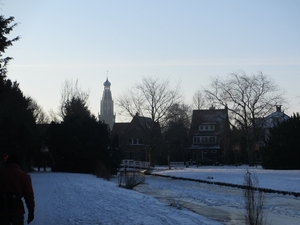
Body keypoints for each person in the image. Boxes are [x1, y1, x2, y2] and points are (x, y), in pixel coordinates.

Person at [0, 153, 35, 225]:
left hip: (2, 210)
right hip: (17, 210)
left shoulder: (1, 174)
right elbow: (29, 196)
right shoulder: (24, 176)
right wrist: (31, 210)